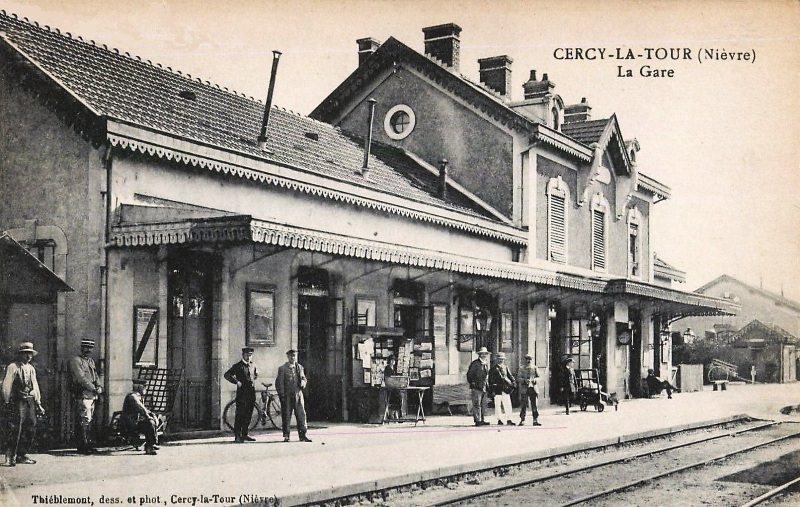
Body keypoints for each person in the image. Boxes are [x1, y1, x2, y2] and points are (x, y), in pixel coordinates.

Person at [1, 342, 45, 467]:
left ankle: (22, 454)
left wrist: (38, 403)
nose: (28, 356)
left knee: (31, 426)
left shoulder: (31, 368)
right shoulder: (13, 367)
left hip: (29, 401)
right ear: (20, 354)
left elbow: (35, 386)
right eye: (26, 353)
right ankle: (10, 456)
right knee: (15, 428)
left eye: (30, 354)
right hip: (17, 401)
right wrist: (7, 401)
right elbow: (7, 385)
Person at [68, 339, 103, 454]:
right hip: (83, 394)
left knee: (89, 420)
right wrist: (94, 388)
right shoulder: (76, 361)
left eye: (90, 348)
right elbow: (80, 378)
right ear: (81, 348)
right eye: (86, 347)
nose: (88, 350)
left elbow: (95, 376)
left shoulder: (90, 361)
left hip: (92, 395)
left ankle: (88, 444)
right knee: (84, 420)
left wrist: (99, 386)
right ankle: (82, 446)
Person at [275, 349, 312, 442]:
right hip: (287, 396)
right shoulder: (282, 368)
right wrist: (282, 396)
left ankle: (302, 435)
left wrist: (303, 383)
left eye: (294, 356)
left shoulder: (299, 367)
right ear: (288, 357)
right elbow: (279, 383)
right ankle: (286, 435)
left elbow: (304, 378)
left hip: (298, 394)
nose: (293, 358)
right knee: (286, 416)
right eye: (291, 356)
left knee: (301, 415)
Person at [224, 347, 258, 443]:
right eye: (247, 355)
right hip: (242, 394)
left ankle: (245, 434)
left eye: (250, 355)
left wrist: (256, 375)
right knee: (240, 415)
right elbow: (227, 375)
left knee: (248, 415)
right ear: (243, 355)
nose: (248, 357)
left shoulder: (253, 366)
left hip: (251, 394)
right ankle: (237, 436)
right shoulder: (237, 366)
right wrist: (236, 382)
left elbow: (255, 375)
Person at [120, 379, 159, 455]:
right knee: (150, 423)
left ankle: (152, 444)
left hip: (134, 422)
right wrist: (149, 417)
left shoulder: (138, 396)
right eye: (145, 387)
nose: (146, 389)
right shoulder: (132, 397)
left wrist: (153, 415)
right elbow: (141, 408)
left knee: (151, 421)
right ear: (140, 387)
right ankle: (149, 447)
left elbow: (144, 410)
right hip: (129, 424)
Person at [488, 352, 516, 426]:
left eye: (502, 359)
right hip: (497, 389)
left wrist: (513, 382)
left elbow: (510, 376)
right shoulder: (493, 369)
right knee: (497, 405)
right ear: (496, 359)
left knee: (507, 404)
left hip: (505, 389)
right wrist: (492, 391)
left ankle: (509, 419)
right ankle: (499, 419)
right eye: (499, 359)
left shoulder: (505, 367)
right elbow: (490, 381)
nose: (501, 361)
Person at [466, 347, 491, 427]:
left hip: (484, 387)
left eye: (485, 354)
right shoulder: (475, 364)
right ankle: (478, 420)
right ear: (479, 355)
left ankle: (482, 419)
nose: (484, 355)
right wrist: (473, 383)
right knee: (477, 404)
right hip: (476, 387)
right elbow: (469, 375)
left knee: (484, 404)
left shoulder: (486, 364)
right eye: (483, 354)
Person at [517, 354, 541, 426]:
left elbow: (539, 377)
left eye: (530, 359)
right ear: (525, 360)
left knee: (534, 405)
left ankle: (535, 420)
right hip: (524, 389)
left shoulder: (535, 368)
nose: (529, 360)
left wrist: (535, 380)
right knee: (523, 405)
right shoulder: (521, 368)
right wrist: (524, 380)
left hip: (533, 388)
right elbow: (518, 378)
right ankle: (522, 420)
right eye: (527, 359)